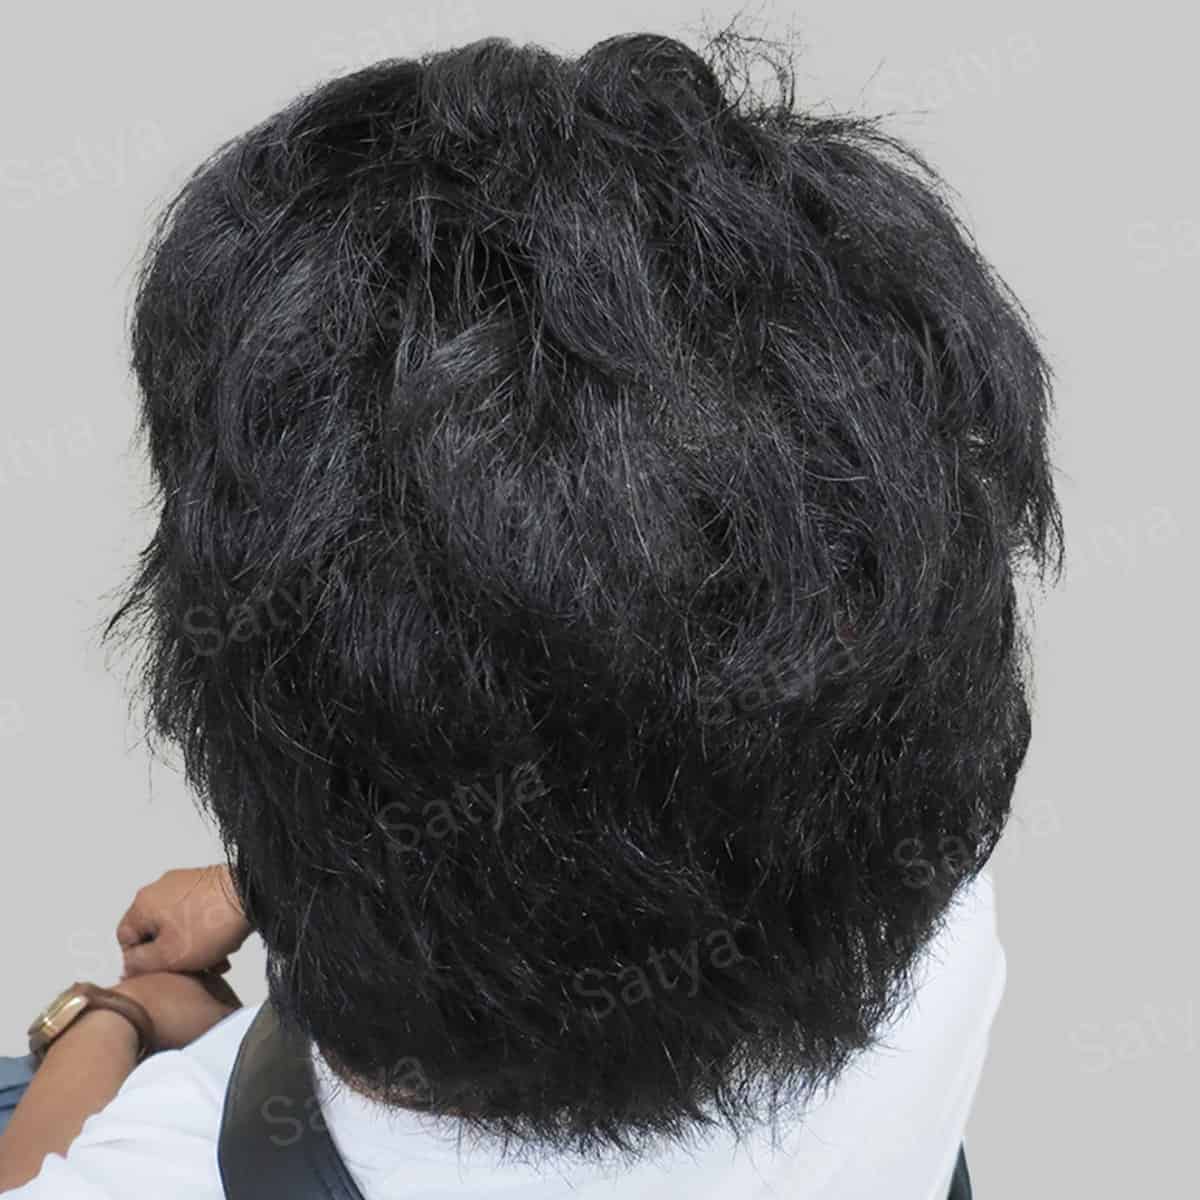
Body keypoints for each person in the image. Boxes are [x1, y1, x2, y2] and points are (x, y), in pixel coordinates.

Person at [0, 27, 1062, 1200]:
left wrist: (113, 1018)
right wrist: (255, 888)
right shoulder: (930, 904)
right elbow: (659, 770)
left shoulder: (145, 1168)